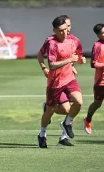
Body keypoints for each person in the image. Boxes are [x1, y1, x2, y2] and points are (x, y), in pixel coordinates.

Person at [37, 16, 85, 148]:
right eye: (62, 29)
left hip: (69, 79)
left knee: (78, 102)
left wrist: (78, 62)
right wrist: (44, 68)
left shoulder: (75, 40)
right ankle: (42, 135)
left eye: (68, 27)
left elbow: (78, 57)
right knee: (52, 110)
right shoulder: (51, 42)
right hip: (55, 82)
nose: (66, 31)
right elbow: (51, 64)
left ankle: (65, 128)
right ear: (55, 30)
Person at [84, 23, 104, 135]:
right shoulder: (97, 46)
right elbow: (93, 64)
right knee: (97, 103)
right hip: (101, 81)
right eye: (102, 33)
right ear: (98, 35)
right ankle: (88, 119)